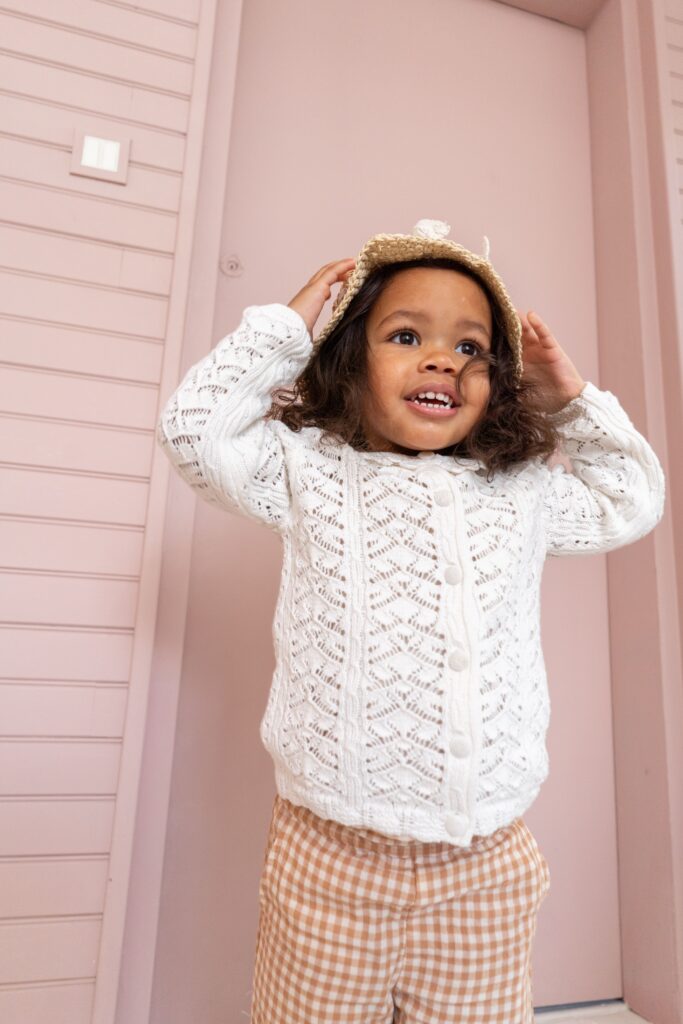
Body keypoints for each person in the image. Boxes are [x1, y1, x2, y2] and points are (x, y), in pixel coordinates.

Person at [156, 218, 666, 1024]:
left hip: (485, 864)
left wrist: (570, 404)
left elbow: (630, 504)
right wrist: (283, 330)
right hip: (328, 861)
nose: (442, 359)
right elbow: (194, 433)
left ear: (497, 381)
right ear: (347, 360)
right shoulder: (306, 473)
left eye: (470, 349)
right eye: (405, 335)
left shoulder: (519, 492)